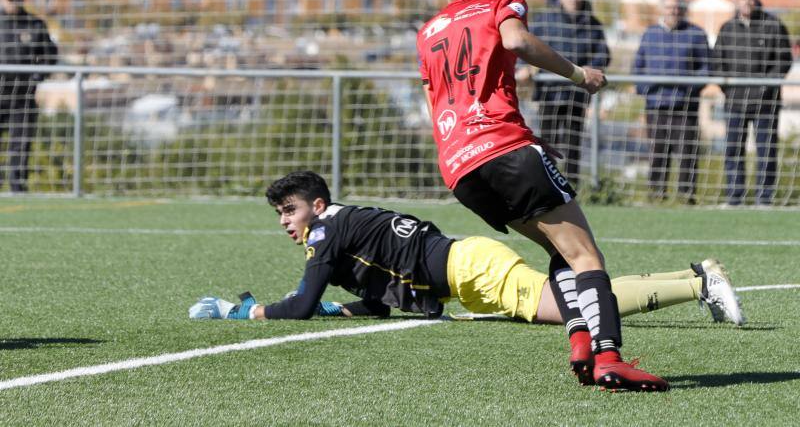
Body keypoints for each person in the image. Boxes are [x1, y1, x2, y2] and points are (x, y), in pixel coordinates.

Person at [414, 0, 665, 391]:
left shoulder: (428, 32)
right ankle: (610, 357)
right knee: (585, 254)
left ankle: (581, 346)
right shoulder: (500, 3)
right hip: (504, 150)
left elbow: (439, 102)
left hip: (460, 169)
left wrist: (522, 138)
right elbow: (516, 43)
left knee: (557, 249)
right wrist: (577, 74)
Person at [189, 171, 745, 378]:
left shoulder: (327, 235)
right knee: (574, 301)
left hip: (474, 272)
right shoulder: (343, 225)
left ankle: (699, 280)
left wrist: (247, 310)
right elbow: (380, 301)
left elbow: (301, 305)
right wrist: (346, 307)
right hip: (469, 269)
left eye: (289, 210)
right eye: (280, 214)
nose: (286, 222)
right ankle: (693, 278)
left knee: (575, 305)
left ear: (315, 203)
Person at [713, 0, 793, 206]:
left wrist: (764, 88)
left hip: (766, 103)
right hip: (734, 103)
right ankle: (734, 197)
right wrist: (729, 88)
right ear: (736, 1)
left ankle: (764, 199)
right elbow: (717, 63)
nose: (746, 2)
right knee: (732, 150)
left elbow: (783, 60)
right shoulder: (727, 28)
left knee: (766, 151)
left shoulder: (773, 25)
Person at [531, 0, 610, 185]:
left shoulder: (593, 25)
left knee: (574, 142)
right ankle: (547, 183)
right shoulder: (545, 21)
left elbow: (603, 54)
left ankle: (573, 185)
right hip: (549, 92)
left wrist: (590, 69)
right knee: (547, 142)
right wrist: (523, 69)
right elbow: (527, 47)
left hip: (577, 93)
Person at [632, 0, 710, 203]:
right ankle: (657, 195)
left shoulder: (696, 34)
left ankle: (686, 197)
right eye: (669, 7)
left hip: (685, 107)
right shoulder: (650, 34)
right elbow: (638, 66)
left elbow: (705, 68)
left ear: (683, 9)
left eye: (677, 7)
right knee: (657, 152)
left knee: (687, 153)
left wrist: (688, 91)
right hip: (656, 105)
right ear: (662, 9)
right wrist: (645, 89)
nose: (673, 11)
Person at [0, 0, 58, 192]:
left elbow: (49, 55)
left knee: (21, 142)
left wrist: (37, 77)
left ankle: (17, 186)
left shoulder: (34, 24)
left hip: (23, 94)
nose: (11, 1)